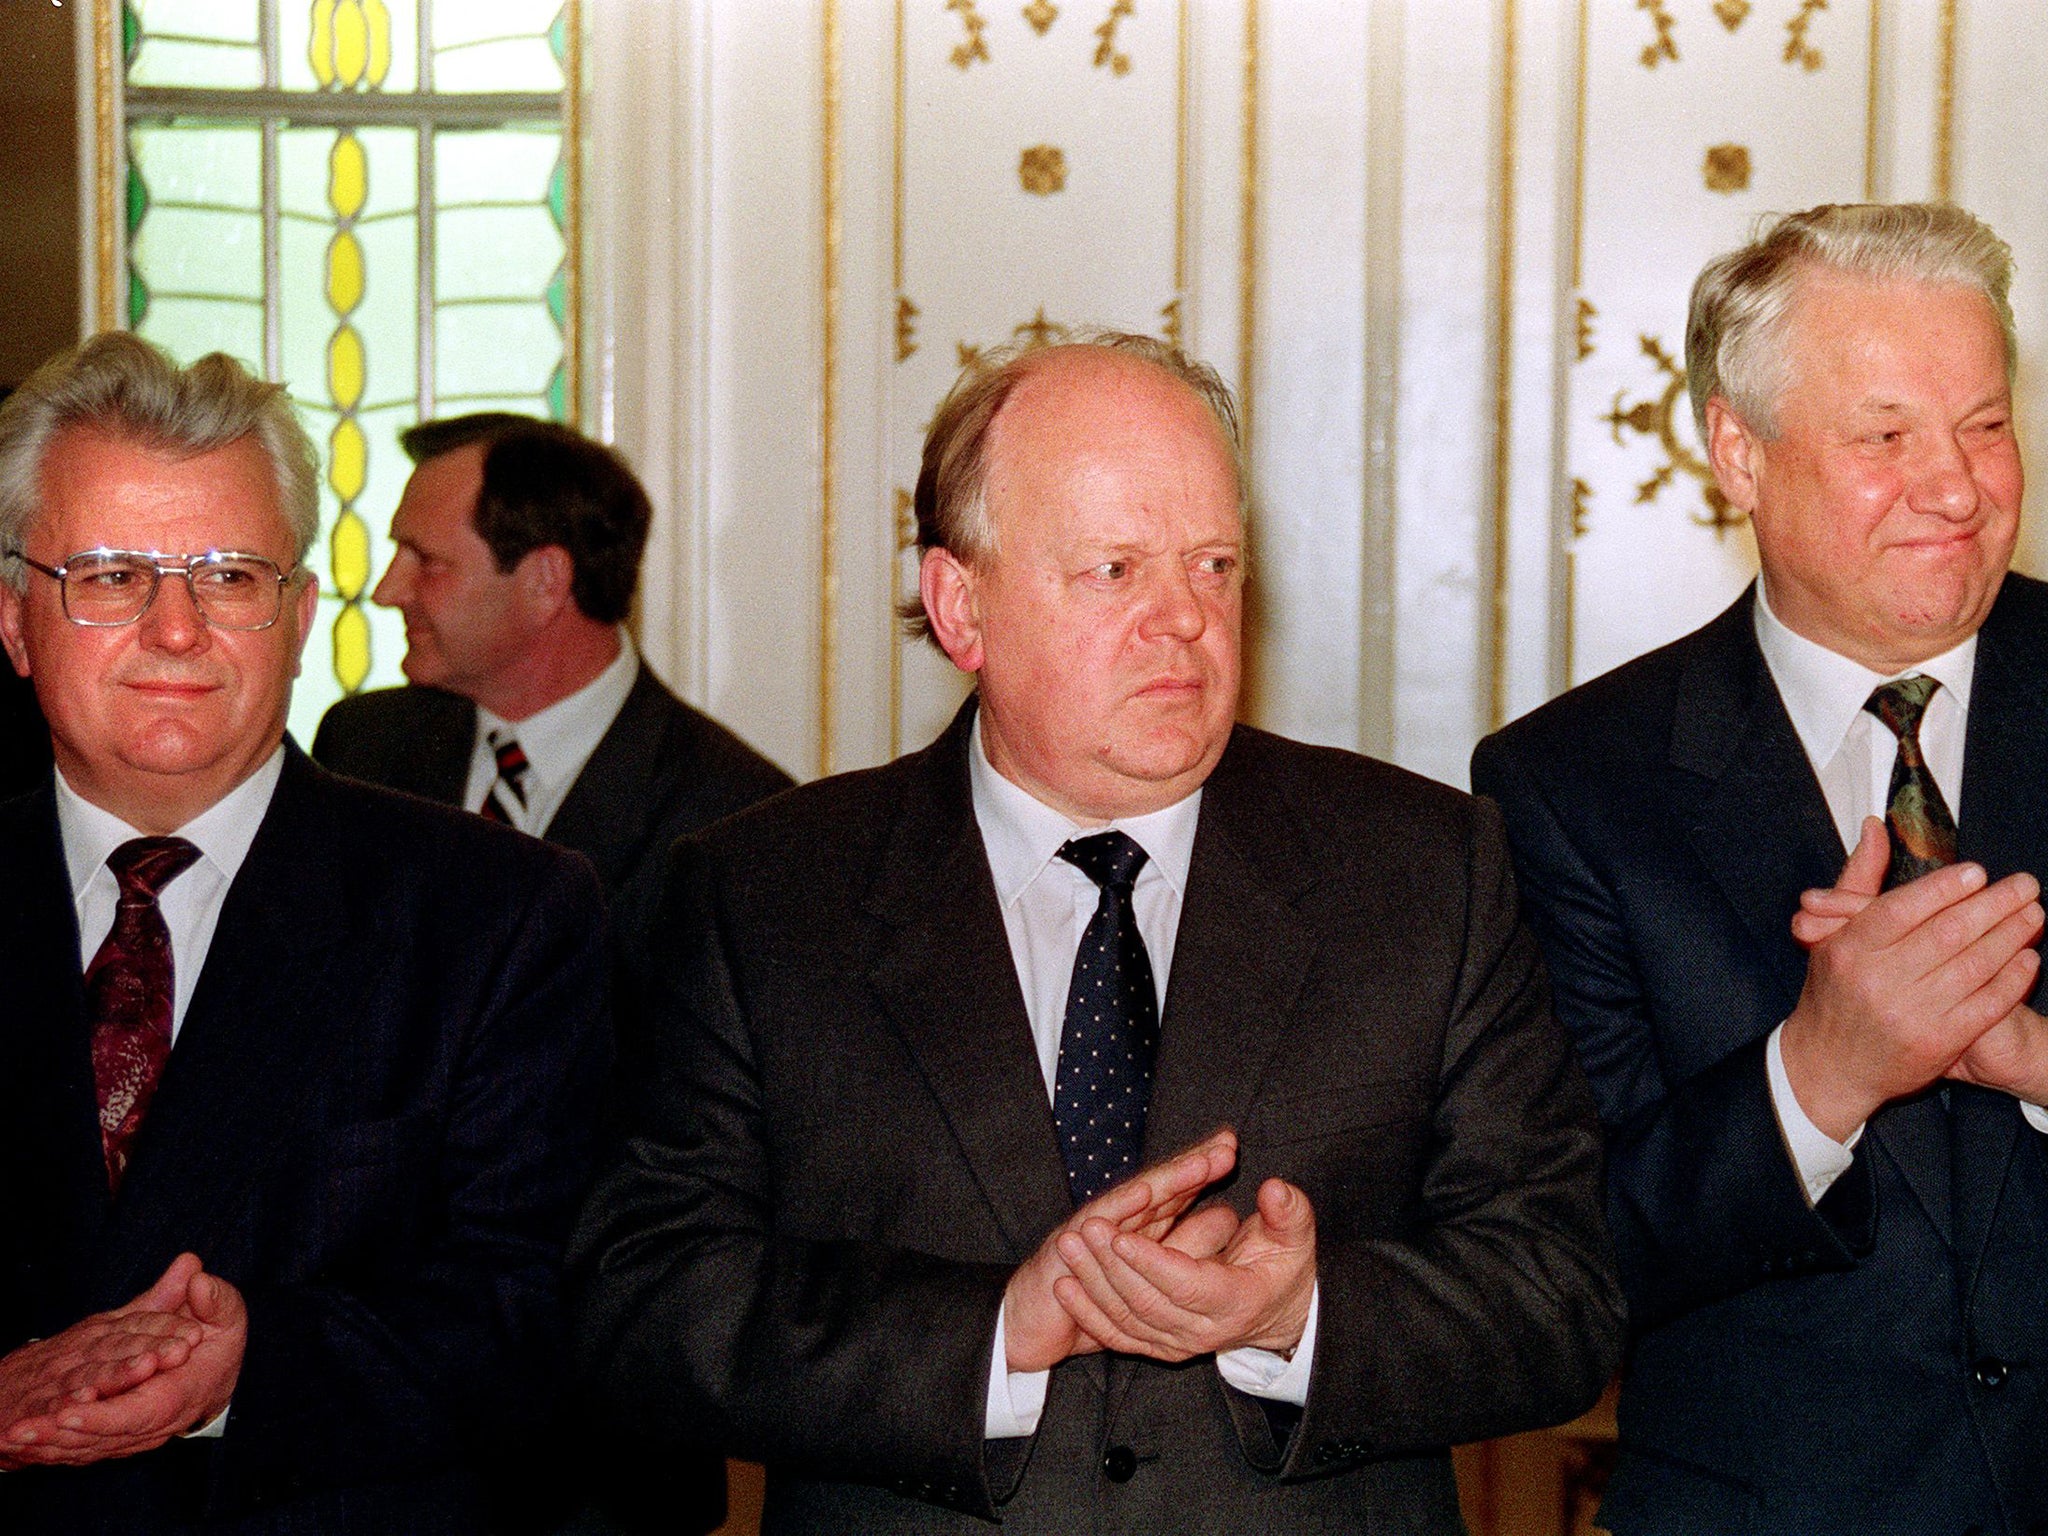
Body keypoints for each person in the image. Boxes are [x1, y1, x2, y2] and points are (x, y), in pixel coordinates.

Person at [572, 332, 1623, 1533]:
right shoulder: (762, 894)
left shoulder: (1424, 871)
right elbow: (641, 1300)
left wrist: (1299, 1317)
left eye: (1213, 564)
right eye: (1114, 570)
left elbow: (1559, 1293)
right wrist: (992, 1338)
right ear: (960, 604)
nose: (1183, 620)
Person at [1472, 203, 2048, 1535]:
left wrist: (2031, 1059)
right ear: (1741, 450)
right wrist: (1819, 1080)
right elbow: (1564, 1252)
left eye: (1984, 423)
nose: (1957, 487)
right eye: (1887, 436)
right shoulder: (1571, 788)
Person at [0, 333, 610, 1533]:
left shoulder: (499, 917)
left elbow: (548, 1312)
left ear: (297, 617)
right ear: (18, 620)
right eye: (112, 576)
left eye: (229, 576)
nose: (175, 629)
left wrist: (252, 1366)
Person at [311, 413, 790, 974]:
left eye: (428, 562)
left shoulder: (740, 822)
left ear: (545, 581)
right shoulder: (361, 746)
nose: (388, 591)